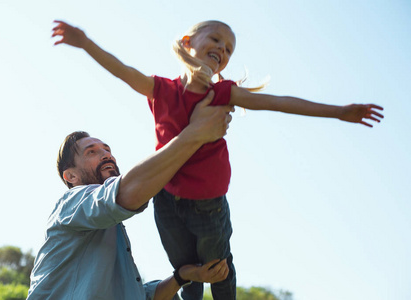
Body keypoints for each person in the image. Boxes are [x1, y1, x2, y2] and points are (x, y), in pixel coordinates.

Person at [51, 20, 384, 300]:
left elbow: (279, 102)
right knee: (184, 266)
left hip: (208, 202)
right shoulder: (162, 90)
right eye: (215, 39)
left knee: (217, 264)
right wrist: (85, 43)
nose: (222, 50)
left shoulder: (222, 93)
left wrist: (339, 112)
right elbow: (122, 70)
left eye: (228, 49)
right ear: (187, 42)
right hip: (166, 198)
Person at [26, 92, 234, 300]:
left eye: (107, 149)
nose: (106, 154)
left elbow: (138, 296)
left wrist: (182, 276)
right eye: (92, 152)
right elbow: (127, 191)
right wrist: (193, 134)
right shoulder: (70, 204)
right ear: (70, 176)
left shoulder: (108, 230)